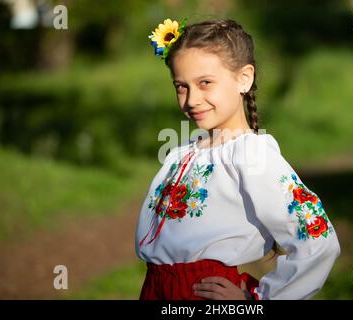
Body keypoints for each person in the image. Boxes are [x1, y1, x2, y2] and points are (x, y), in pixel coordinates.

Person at [136, 18, 340, 300]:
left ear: (244, 78)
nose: (192, 99)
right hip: (157, 289)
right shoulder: (184, 152)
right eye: (181, 86)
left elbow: (318, 241)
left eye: (205, 83)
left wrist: (258, 299)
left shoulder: (251, 155)